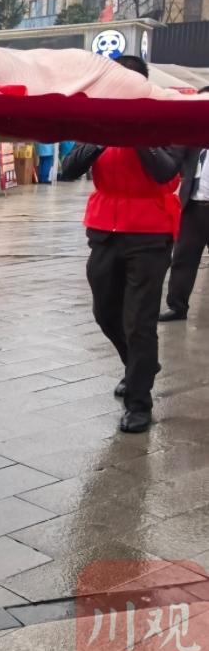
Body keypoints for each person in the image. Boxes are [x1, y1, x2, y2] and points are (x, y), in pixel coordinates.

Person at [59, 134, 184, 432]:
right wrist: (101, 137)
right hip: (105, 229)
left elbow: (165, 171)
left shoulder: (167, 125)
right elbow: (69, 168)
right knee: (105, 313)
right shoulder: (100, 126)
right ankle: (140, 365)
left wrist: (134, 135)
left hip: (150, 232)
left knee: (139, 322)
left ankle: (139, 402)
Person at [158, 85, 209, 323]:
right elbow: (172, 159)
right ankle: (177, 307)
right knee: (183, 258)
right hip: (194, 207)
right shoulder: (191, 137)